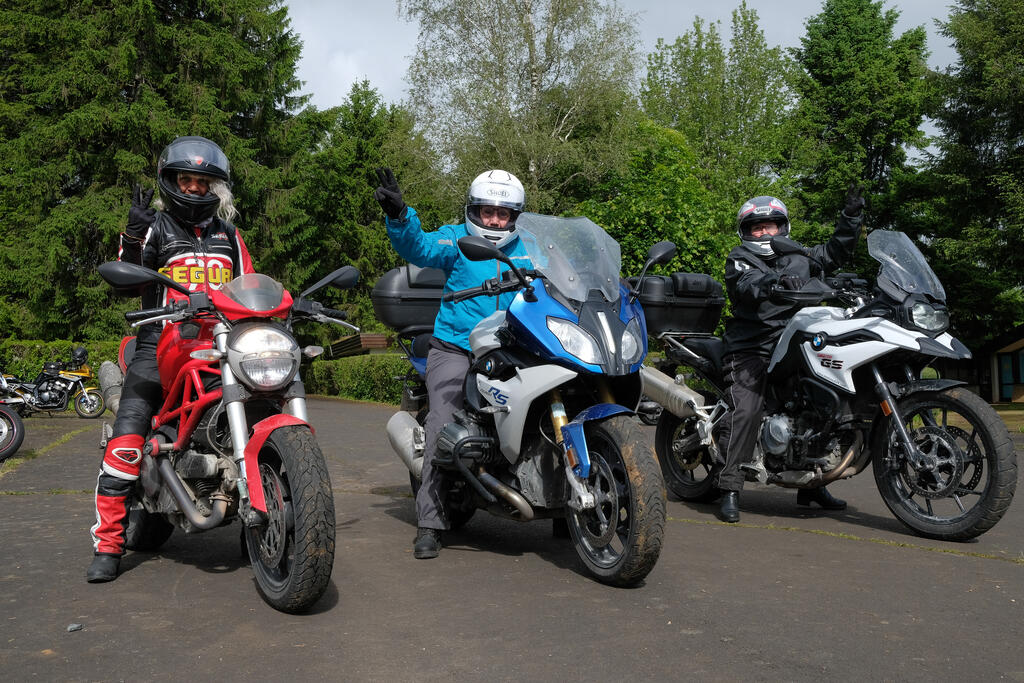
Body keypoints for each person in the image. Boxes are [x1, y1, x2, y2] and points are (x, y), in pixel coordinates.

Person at [87, 136, 254, 582]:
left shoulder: (229, 234)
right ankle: (108, 545)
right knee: (127, 440)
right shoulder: (157, 228)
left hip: (218, 345)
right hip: (156, 345)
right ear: (173, 181)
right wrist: (134, 233)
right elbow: (124, 282)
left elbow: (250, 285)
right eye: (188, 180)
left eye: (204, 182)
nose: (196, 188)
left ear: (215, 186)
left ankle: (262, 521)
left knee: (258, 414)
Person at [373, 167, 532, 559]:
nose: (495, 220)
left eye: (504, 213)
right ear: (472, 211)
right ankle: (430, 523)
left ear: (516, 216)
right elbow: (420, 248)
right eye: (486, 211)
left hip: (518, 346)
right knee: (442, 421)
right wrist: (399, 216)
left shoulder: (533, 247)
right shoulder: (454, 239)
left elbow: (566, 275)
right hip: (458, 347)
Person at [716, 186, 865, 523]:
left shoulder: (799, 255)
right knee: (748, 406)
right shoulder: (740, 257)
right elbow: (748, 284)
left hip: (796, 340)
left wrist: (851, 216)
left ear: (782, 228)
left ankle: (813, 485)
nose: (765, 232)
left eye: (771, 225)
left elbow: (833, 253)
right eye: (757, 227)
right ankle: (729, 488)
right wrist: (772, 282)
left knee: (820, 404)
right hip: (751, 345)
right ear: (747, 232)